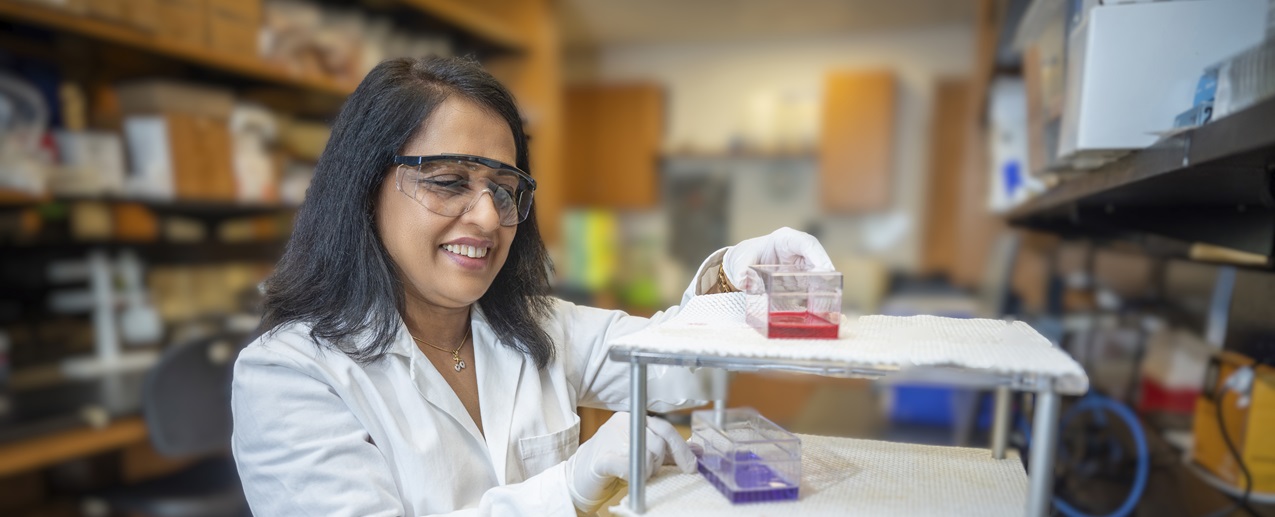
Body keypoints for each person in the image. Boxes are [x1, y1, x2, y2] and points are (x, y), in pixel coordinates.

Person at [230, 56, 834, 516]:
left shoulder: (536, 327)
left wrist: (735, 276)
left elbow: (680, 366)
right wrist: (566, 488)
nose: (488, 217)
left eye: (503, 189)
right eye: (448, 180)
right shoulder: (288, 375)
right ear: (364, 189)